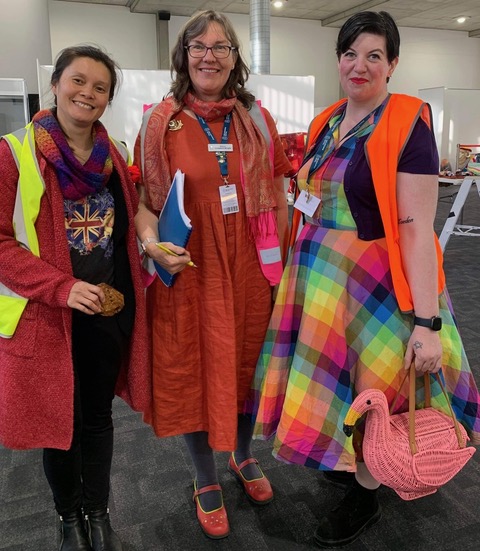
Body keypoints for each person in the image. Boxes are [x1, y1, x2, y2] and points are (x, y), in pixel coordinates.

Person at [250, 10, 480, 548]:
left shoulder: (407, 124)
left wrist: (426, 321)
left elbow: (419, 229)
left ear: (393, 64)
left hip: (378, 280)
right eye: (350, 54)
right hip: (322, 277)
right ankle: (347, 461)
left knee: (377, 386)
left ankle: (366, 491)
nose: (360, 65)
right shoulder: (327, 120)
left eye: (374, 55)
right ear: (338, 60)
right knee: (338, 384)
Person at [134, 10, 292, 540]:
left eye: (220, 47)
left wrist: (287, 265)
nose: (209, 56)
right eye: (198, 47)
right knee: (195, 370)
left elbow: (279, 193)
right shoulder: (162, 122)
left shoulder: (257, 119)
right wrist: (154, 247)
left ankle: (244, 456)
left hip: (251, 266)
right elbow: (143, 202)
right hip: (191, 267)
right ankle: (205, 478)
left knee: (247, 365)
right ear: (184, 56)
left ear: (234, 59)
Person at [0, 45, 151, 551]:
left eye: (100, 87)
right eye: (78, 81)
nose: (87, 93)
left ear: (108, 99)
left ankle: (99, 511)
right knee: (58, 424)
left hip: (104, 313)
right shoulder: (13, 153)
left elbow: (127, 230)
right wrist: (62, 288)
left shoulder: (114, 156)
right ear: (57, 84)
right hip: (47, 316)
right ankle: (68, 518)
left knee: (99, 419)